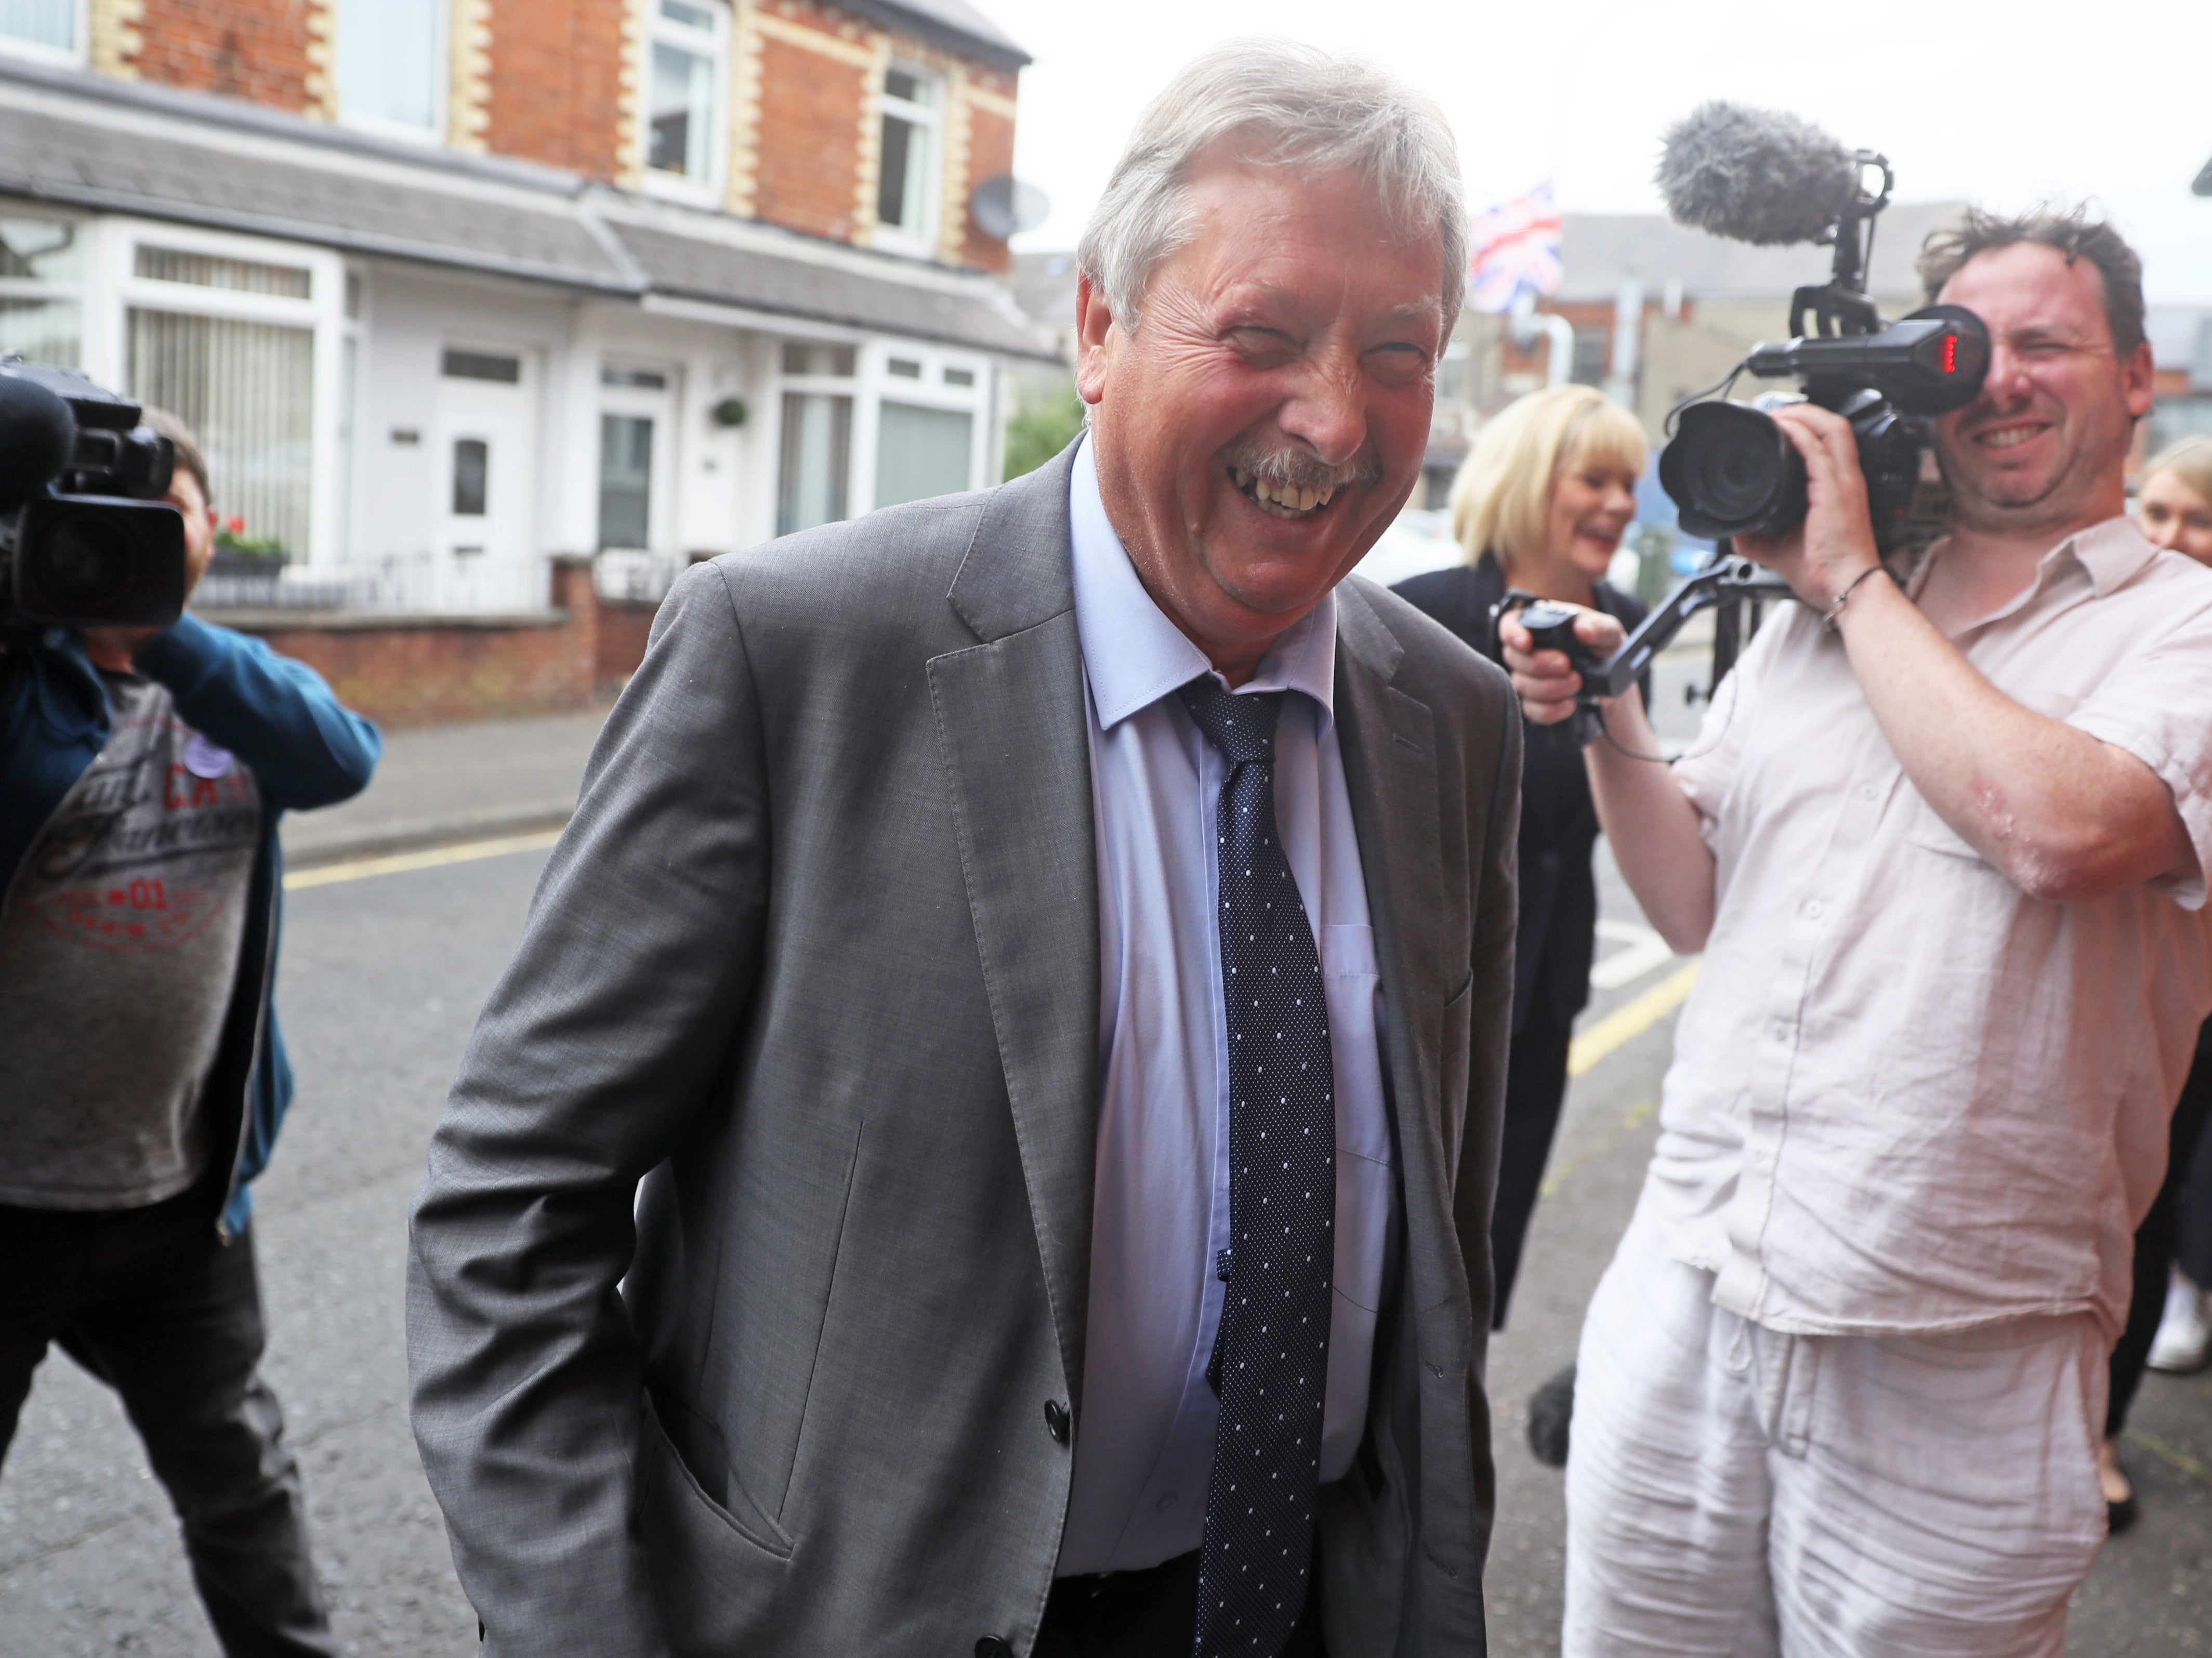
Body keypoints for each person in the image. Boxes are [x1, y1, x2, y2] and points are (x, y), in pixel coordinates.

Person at [407, 42, 1518, 1658]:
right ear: (1096, 326)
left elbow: (1437, 1236)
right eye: (1260, 335)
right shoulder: (790, 653)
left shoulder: (1456, 719)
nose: (1337, 420)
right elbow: (509, 1205)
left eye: (1399, 352)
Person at [1507, 207, 2212, 1654]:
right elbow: (1693, 901)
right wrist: (1609, 711)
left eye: (2046, 344)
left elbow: (2057, 827)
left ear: (2141, 375)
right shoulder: (1812, 619)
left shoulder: (2179, 628)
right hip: (1688, 1285)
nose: (1999, 378)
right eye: (1966, 348)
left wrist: (1853, 581)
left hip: (1960, 1356)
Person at [0, 407, 381, 1656]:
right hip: (6, 1197)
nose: (141, 539)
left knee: (241, 1482)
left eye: (171, 514)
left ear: (214, 528)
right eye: (106, 521)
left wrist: (161, 631)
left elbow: (339, 758)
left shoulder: (228, 681)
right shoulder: (23, 684)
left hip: (181, 1200)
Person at [1394, 385, 1647, 1332]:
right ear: (1529, 482)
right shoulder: (1418, 620)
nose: (1620, 504)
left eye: (1631, 482)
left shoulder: (1628, 628)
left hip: (1543, 993)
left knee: (1482, 1259)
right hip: (1422, 990)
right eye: (1595, 478)